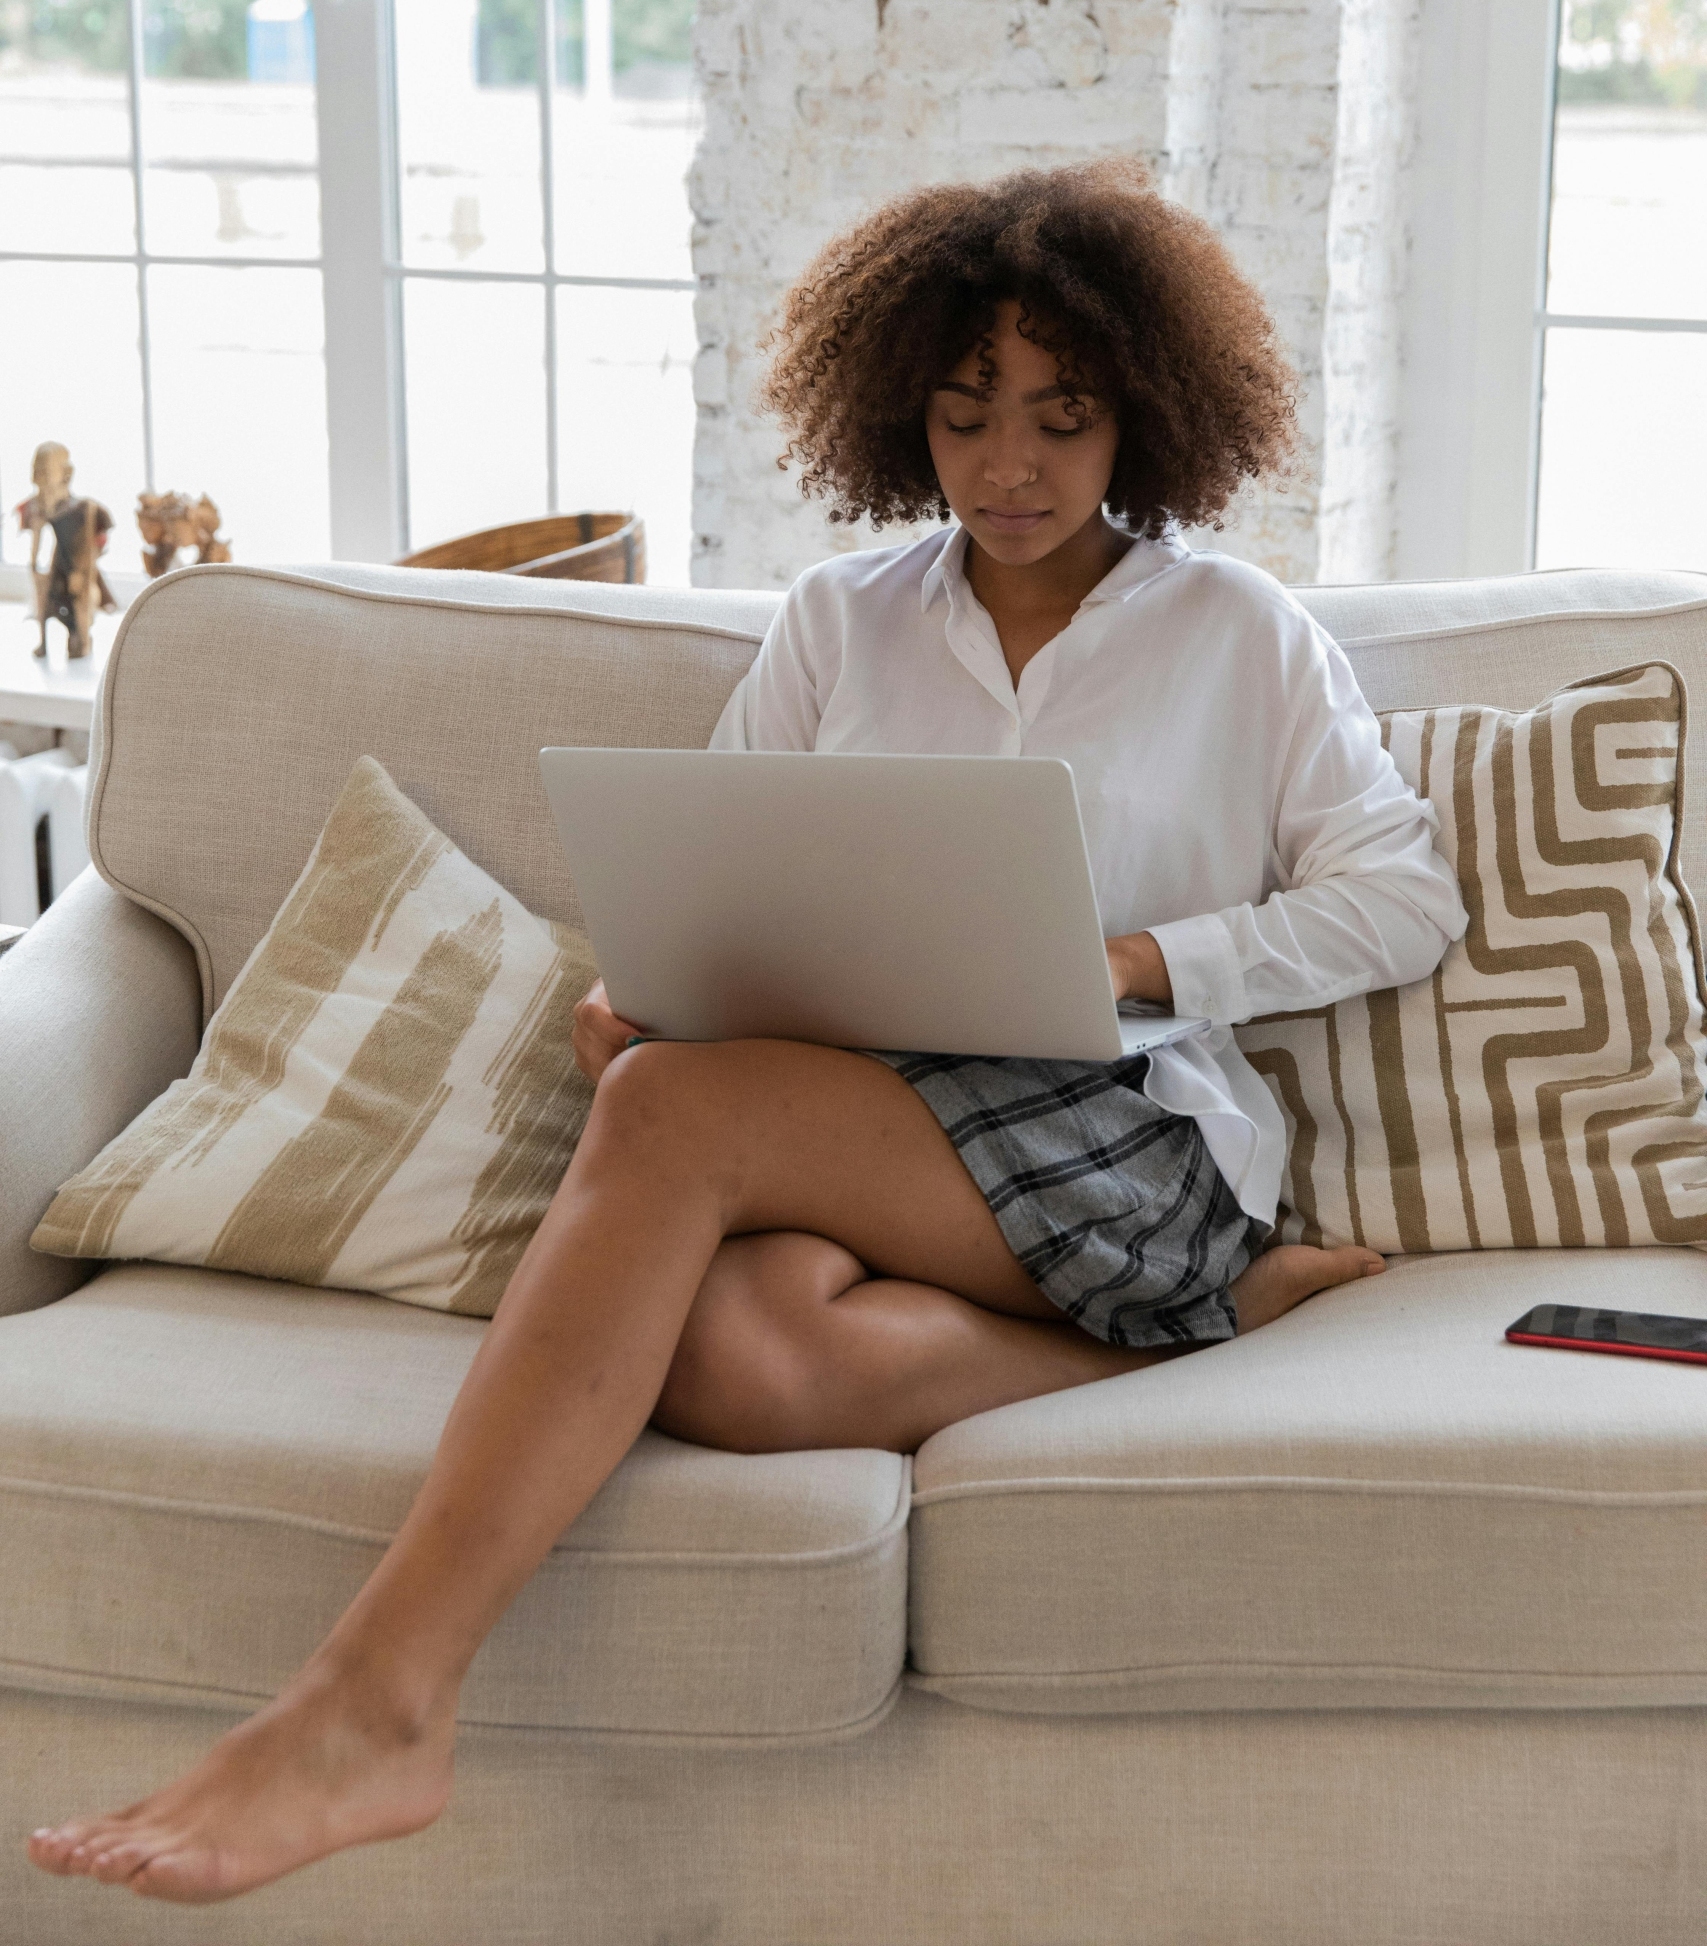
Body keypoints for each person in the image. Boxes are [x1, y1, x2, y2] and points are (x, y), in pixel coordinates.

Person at [27, 157, 1466, 1904]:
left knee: (672, 1123)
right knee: (735, 1355)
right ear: (900, 415)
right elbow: (702, 883)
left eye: (1062, 419)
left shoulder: (1242, 635)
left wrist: (1142, 958)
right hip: (863, 1125)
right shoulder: (834, 624)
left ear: (1144, 420)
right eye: (962, 415)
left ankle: (372, 1700)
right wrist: (642, 994)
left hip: (1126, 1137)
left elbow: (1403, 896)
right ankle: (1203, 1333)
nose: (1008, 465)